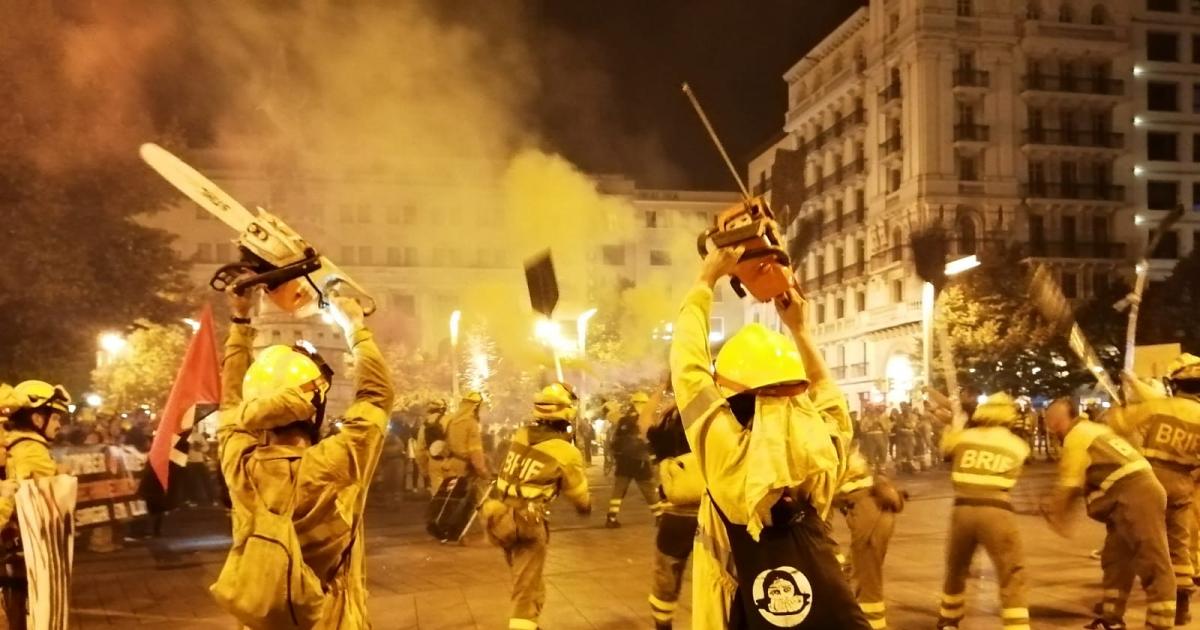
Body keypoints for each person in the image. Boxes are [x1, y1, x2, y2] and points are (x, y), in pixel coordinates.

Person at [672, 246, 869, 629]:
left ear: (732, 395)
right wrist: (799, 329)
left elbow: (687, 367)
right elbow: (828, 394)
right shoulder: (822, 450)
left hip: (733, 608)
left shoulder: (726, 455)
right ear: (797, 391)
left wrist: (704, 282)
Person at [215, 284, 394, 629]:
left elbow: (229, 405)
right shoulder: (337, 462)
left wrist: (240, 319)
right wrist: (355, 325)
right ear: (313, 410)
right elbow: (377, 394)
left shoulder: (238, 463)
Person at [1042, 397, 1176, 630]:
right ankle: (1111, 618)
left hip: (1134, 494)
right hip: (1129, 495)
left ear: (1057, 421)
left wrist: (1056, 513)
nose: (1049, 426)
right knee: (1116, 560)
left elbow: (1070, 483)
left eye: (1050, 420)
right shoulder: (1094, 429)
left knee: (1153, 559)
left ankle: (1160, 623)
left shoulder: (1076, 437)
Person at [1100, 357, 1200, 625]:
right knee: (1179, 546)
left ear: (1174, 383)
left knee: (1127, 544)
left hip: (1149, 481)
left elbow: (1117, 425)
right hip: (1183, 484)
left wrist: (1120, 407)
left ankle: (1113, 610)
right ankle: (1181, 604)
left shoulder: (1158, 407)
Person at [483, 383, 591, 630]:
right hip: (527, 522)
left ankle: (531, 621)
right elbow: (579, 494)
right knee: (525, 590)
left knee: (527, 579)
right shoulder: (565, 451)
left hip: (501, 517)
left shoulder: (521, 434)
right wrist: (585, 507)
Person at [936, 393, 1030, 630]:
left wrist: (955, 425)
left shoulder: (964, 438)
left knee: (956, 569)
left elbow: (945, 450)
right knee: (1011, 572)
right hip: (997, 511)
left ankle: (949, 620)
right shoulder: (1018, 446)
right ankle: (1016, 626)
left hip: (962, 510)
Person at [0, 381, 71, 629]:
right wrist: (64, 478)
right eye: (55, 418)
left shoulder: (11, 443)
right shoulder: (32, 449)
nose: (59, 424)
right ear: (38, 418)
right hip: (24, 558)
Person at [645, 399, 703, 630]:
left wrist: (660, 394)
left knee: (667, 572)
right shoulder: (715, 432)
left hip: (675, 517)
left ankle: (663, 622)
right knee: (717, 574)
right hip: (713, 516)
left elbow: (645, 420)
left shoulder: (664, 436)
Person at [834, 448, 904, 630]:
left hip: (870, 528)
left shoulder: (847, 487)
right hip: (877, 521)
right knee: (857, 572)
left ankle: (874, 626)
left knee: (868, 586)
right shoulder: (863, 485)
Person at [605, 392, 660, 528]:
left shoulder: (623, 420)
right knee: (648, 489)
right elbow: (651, 440)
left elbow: (615, 440)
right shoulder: (646, 419)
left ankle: (611, 517)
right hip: (640, 460)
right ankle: (659, 516)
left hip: (623, 461)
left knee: (619, 489)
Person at [434, 391, 491, 493]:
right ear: (475, 407)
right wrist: (484, 473)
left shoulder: (452, 422)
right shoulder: (471, 424)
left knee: (449, 500)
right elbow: (475, 454)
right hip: (462, 471)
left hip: (448, 466)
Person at [415, 398, 448, 493]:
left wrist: (424, 470)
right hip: (451, 462)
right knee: (453, 494)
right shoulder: (450, 420)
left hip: (434, 462)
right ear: (443, 409)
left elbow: (420, 451)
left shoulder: (425, 425)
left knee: (438, 494)